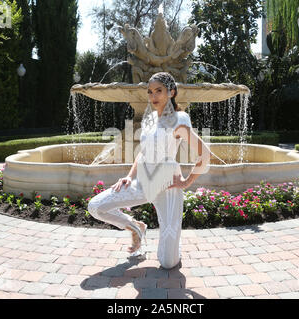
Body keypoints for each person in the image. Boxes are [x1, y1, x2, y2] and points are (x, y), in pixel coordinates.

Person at [87, 72, 212, 269]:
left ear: (171, 92)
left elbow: (204, 154)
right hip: (143, 182)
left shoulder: (179, 119)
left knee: (168, 263)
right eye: (150, 91)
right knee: (95, 206)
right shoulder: (149, 119)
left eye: (159, 91)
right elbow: (142, 154)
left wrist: (187, 182)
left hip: (168, 184)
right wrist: (129, 176)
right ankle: (136, 227)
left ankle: (170, 245)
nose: (153, 96)